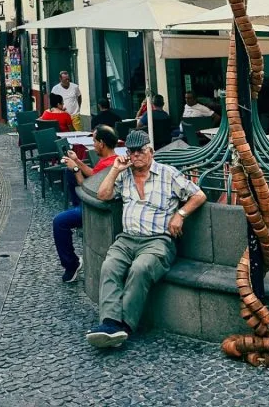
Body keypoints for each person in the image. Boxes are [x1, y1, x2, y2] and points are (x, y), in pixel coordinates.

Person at [86, 129, 206, 348]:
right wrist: (114, 170)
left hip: (158, 241)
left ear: (151, 151)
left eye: (140, 151)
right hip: (126, 239)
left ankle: (123, 326)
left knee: (140, 268)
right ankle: (109, 323)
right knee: (109, 266)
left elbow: (198, 195)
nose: (136, 156)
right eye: (131, 152)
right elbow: (102, 195)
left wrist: (180, 214)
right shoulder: (124, 174)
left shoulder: (168, 174)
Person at [53, 125, 119, 282]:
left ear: (101, 143)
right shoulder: (111, 160)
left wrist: (75, 169)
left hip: (93, 208)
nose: (93, 144)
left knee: (59, 222)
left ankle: (71, 264)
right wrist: (77, 161)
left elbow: (87, 189)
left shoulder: (109, 165)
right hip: (91, 202)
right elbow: (93, 175)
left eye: (95, 141)